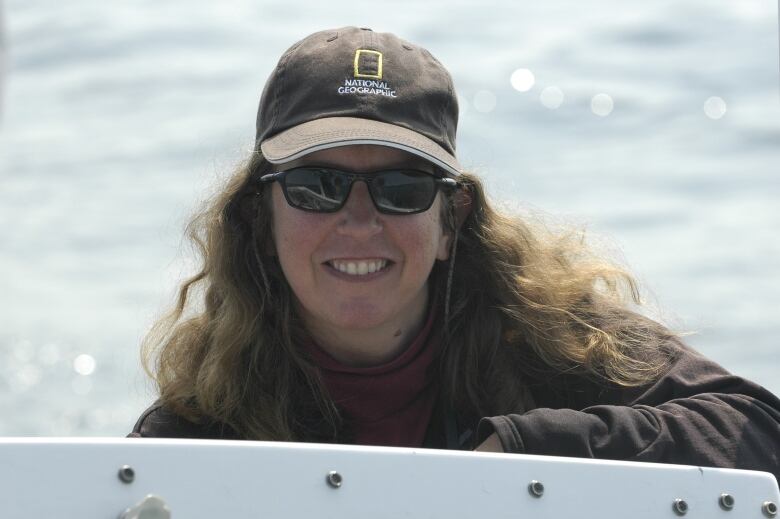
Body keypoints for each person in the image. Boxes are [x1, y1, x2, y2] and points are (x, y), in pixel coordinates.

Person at [129, 26, 780, 479]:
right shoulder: (199, 423)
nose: (359, 222)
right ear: (258, 218)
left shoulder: (553, 336)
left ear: (452, 220)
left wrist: (526, 453)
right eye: (317, 186)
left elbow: (757, 430)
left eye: (401, 188)